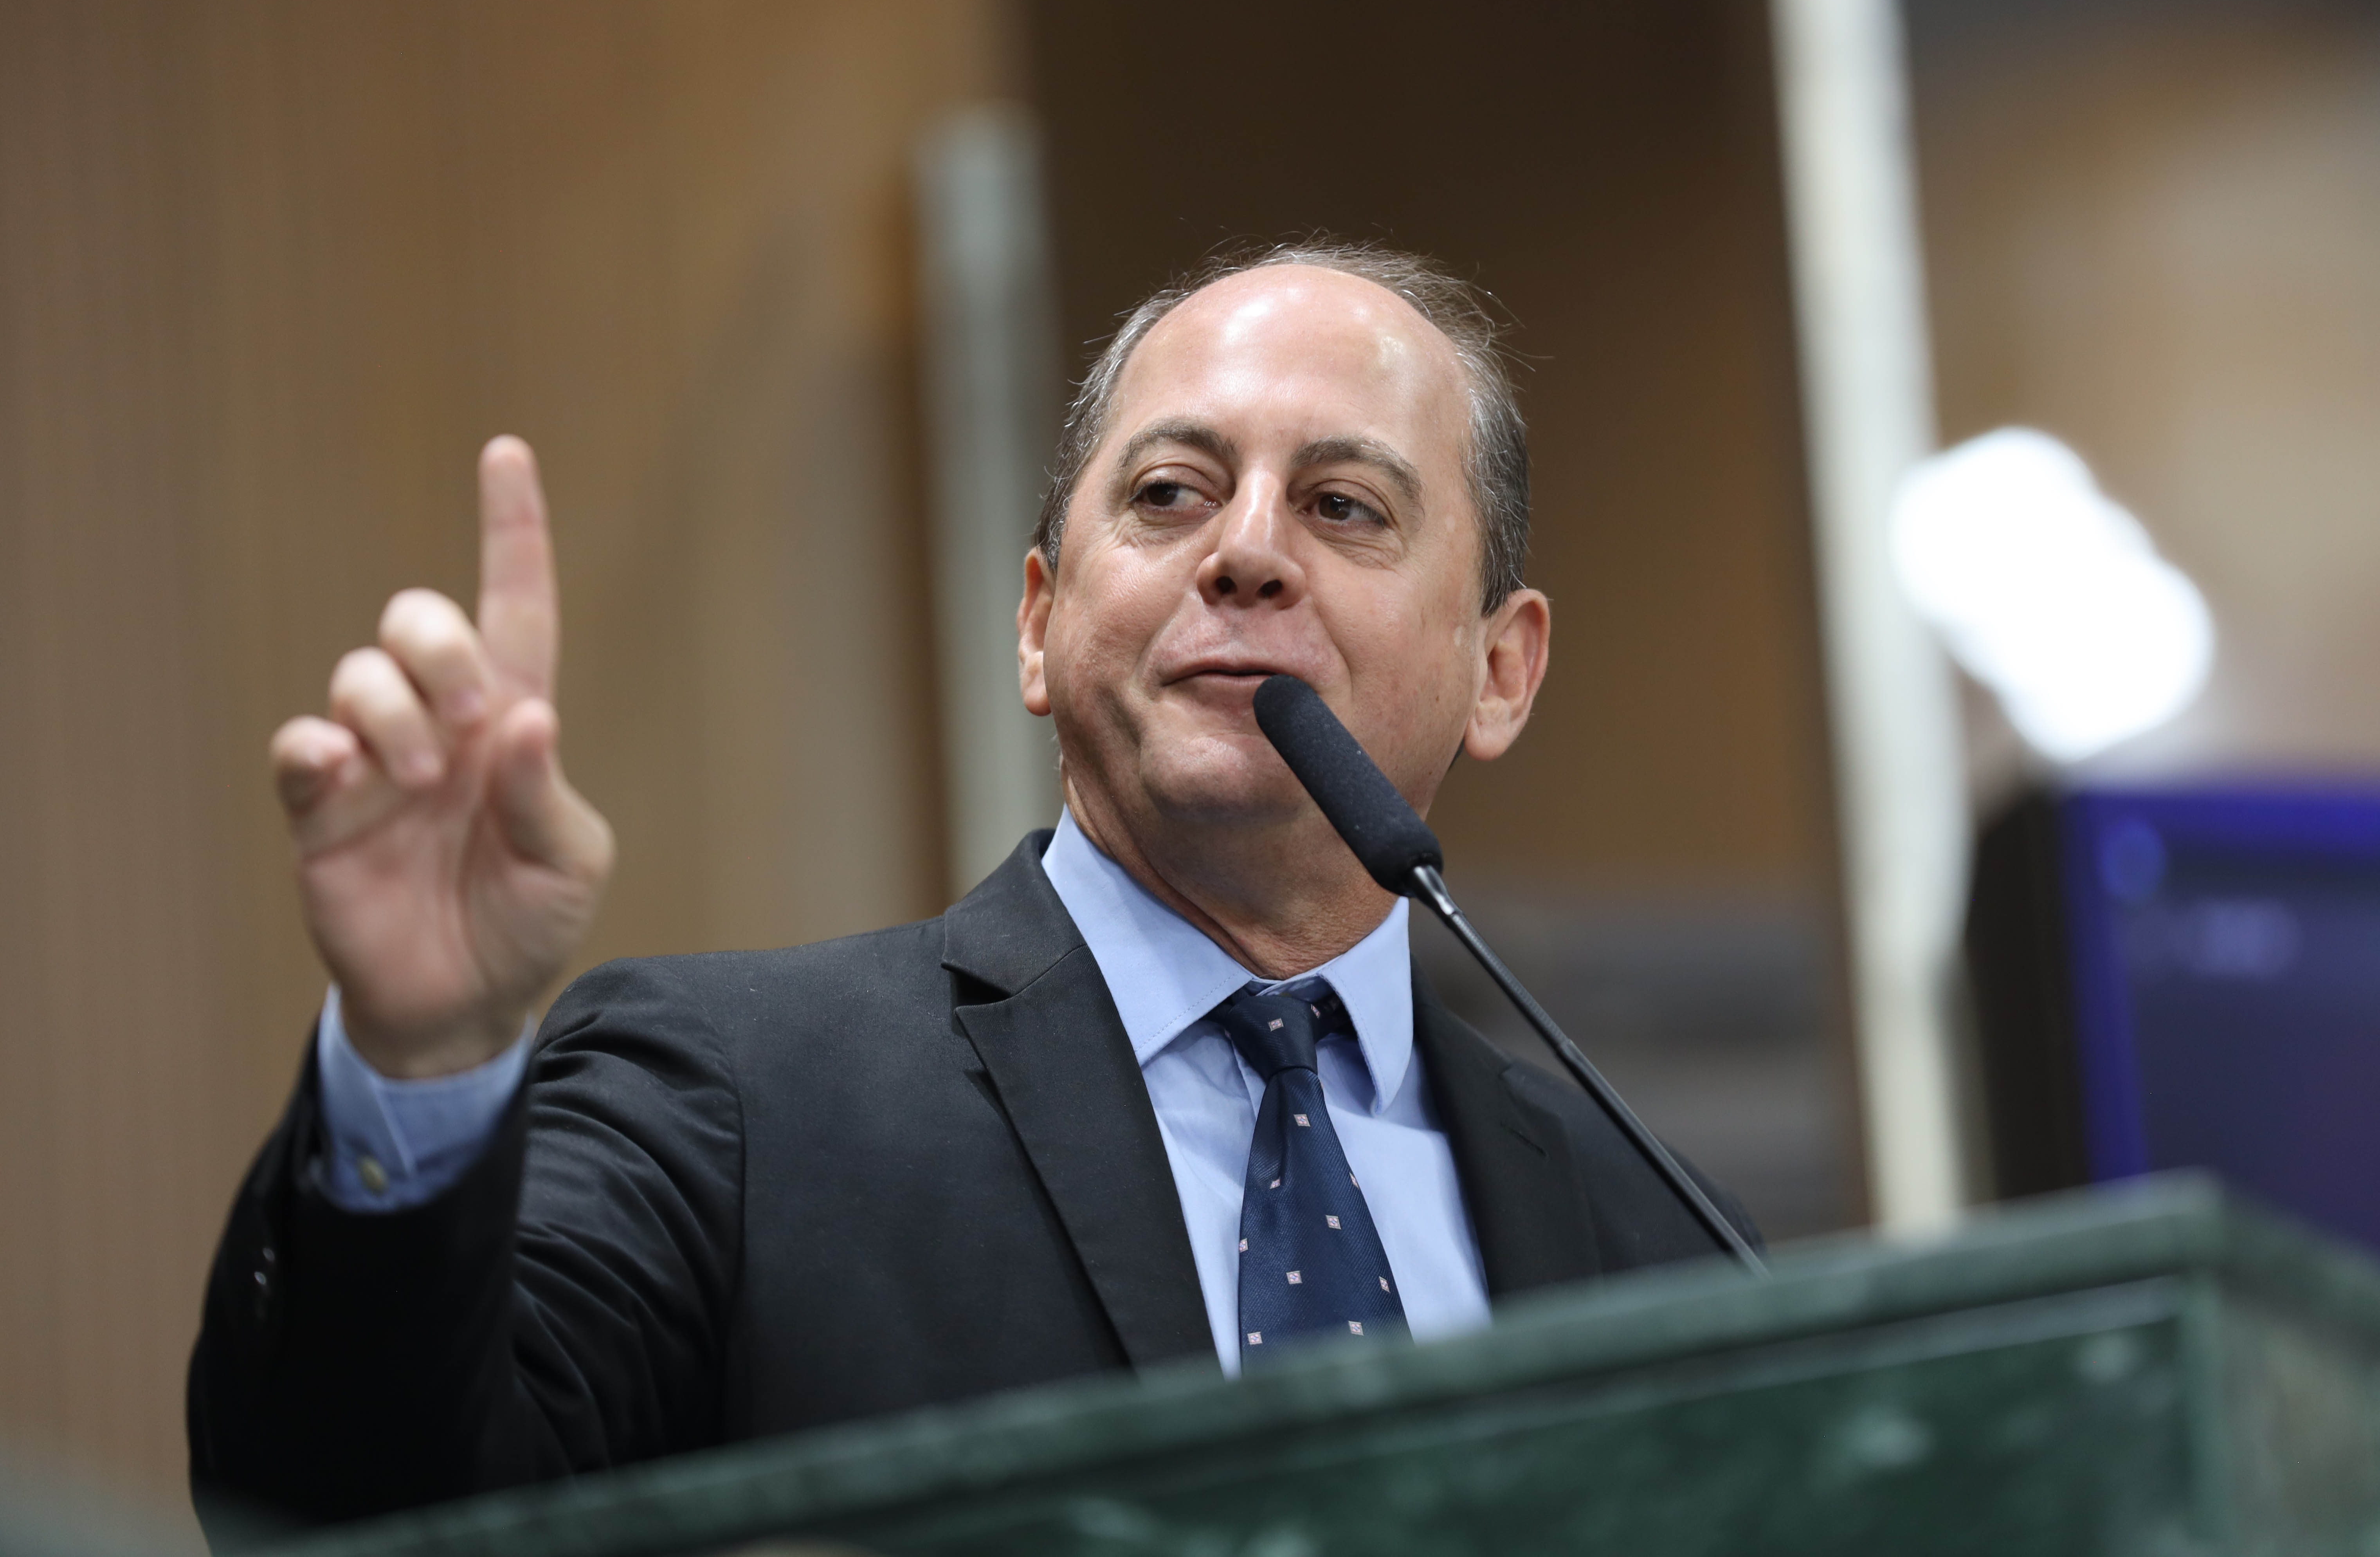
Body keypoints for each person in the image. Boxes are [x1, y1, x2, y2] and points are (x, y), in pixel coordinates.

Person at [188, 242, 1755, 1530]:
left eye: (1344, 506)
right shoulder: (738, 1101)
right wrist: (420, 1066)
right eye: (1170, 494)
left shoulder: (1661, 1239)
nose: (1246, 552)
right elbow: (364, 1509)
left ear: (1501, 669)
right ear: (1037, 622)